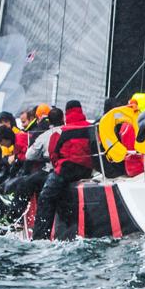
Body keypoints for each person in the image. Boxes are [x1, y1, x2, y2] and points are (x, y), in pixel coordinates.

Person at [31, 100, 95, 239]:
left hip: (66, 170)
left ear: (66, 113)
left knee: (46, 198)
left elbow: (54, 153)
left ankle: (40, 237)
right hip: (86, 170)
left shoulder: (62, 131)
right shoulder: (91, 128)